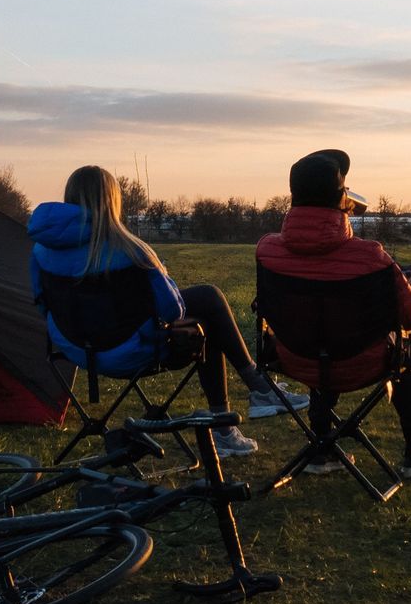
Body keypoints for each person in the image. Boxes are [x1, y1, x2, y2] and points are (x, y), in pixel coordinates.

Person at [29, 166, 303, 456]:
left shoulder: (41, 252)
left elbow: (41, 303)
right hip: (132, 354)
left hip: (79, 352)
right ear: (112, 200)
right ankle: (249, 396)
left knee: (206, 310)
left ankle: (250, 398)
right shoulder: (129, 250)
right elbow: (172, 310)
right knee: (207, 307)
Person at [255, 149, 411, 479]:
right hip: (359, 364)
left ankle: (321, 446)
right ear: (342, 199)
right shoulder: (372, 257)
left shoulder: (267, 250)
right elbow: (409, 318)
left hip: (295, 358)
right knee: (404, 349)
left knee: (319, 333)